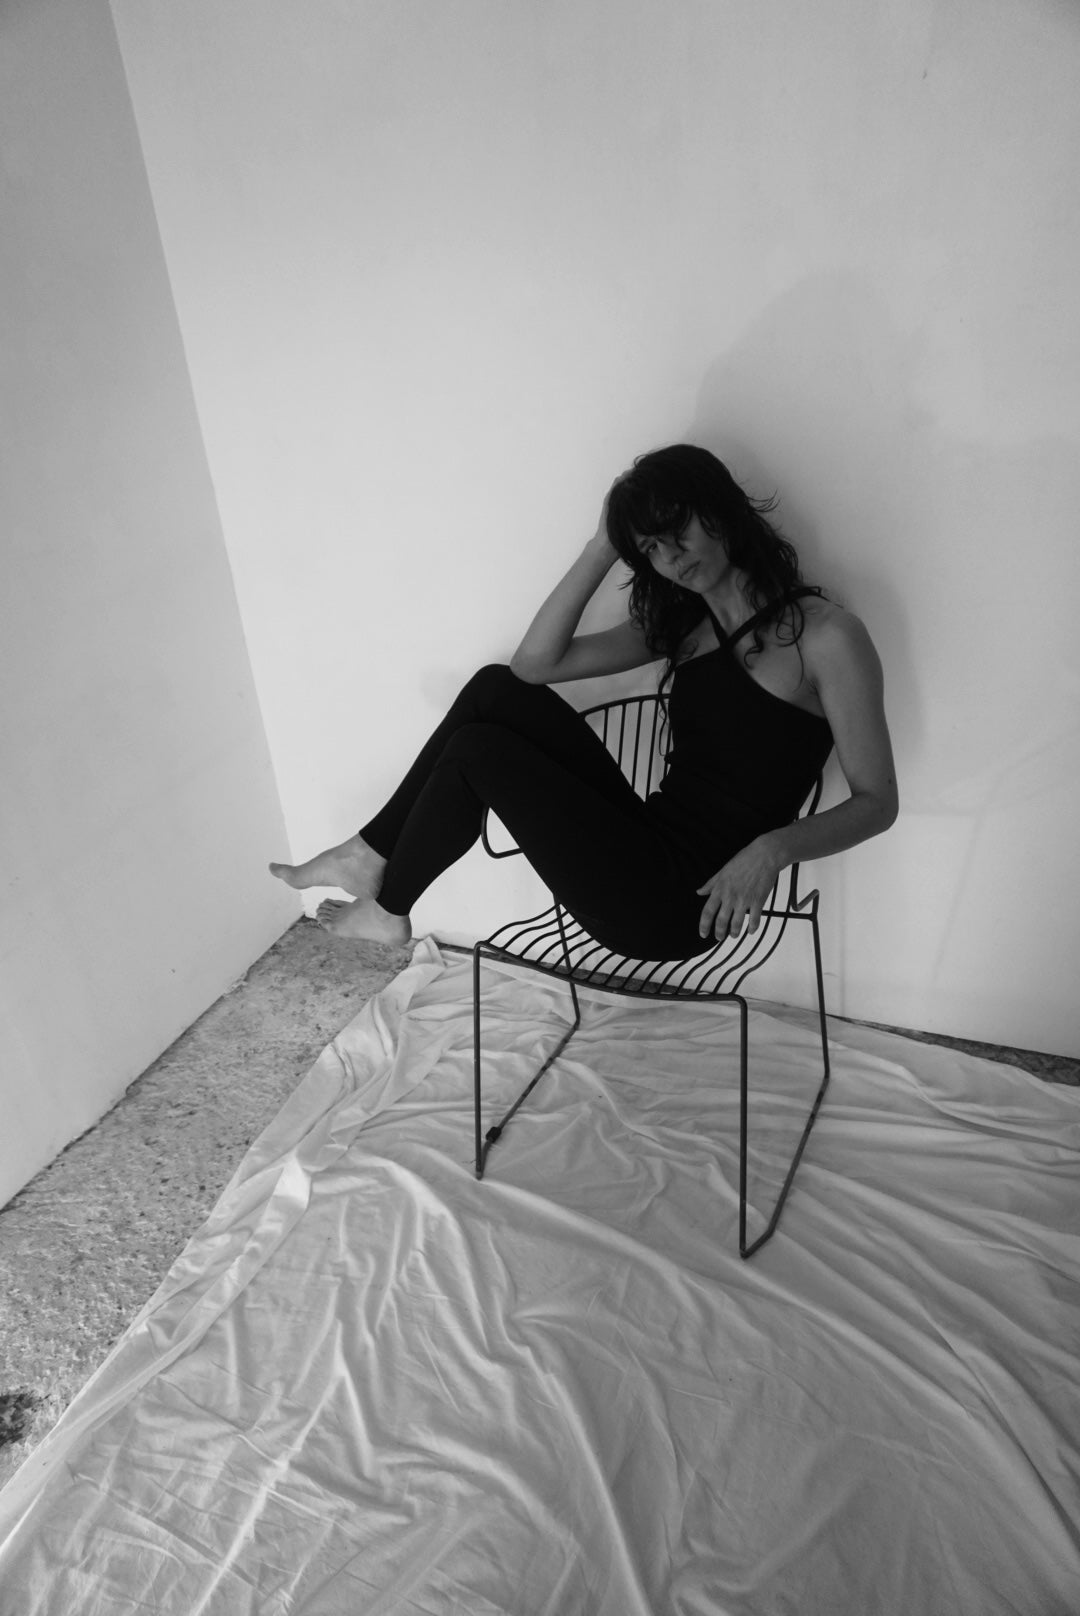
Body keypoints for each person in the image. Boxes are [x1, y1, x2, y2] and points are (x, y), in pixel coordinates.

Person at [270, 444, 898, 960]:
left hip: (683, 903)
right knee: (495, 689)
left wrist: (772, 850)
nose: (670, 557)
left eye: (675, 529)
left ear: (720, 510)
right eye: (649, 548)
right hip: (643, 846)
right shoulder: (684, 628)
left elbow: (877, 802)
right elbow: (534, 666)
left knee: (477, 753)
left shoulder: (828, 637)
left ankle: (389, 904)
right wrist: (604, 542)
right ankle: (371, 854)